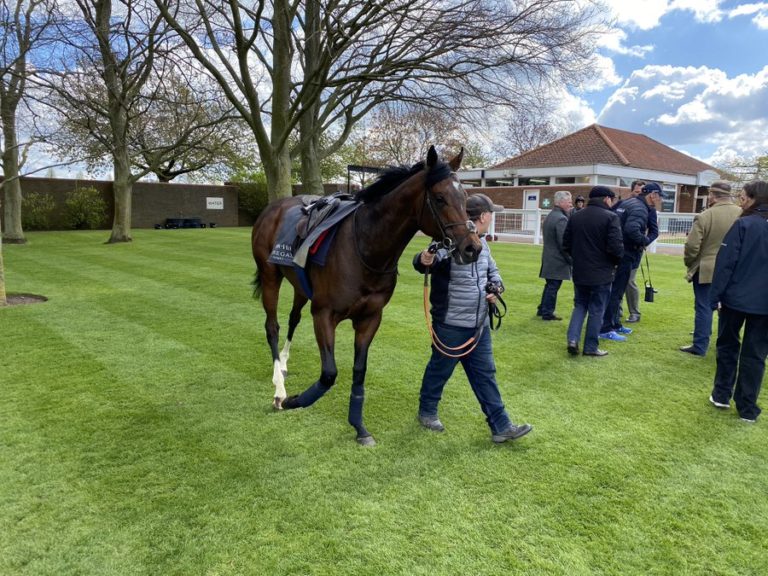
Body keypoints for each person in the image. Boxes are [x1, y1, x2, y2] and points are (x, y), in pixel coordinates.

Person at [413, 192, 532, 443]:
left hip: (479, 324)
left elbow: (494, 273)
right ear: (485, 216)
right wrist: (424, 258)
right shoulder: (449, 242)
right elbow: (427, 262)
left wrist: (495, 289)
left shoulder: (484, 243)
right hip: (451, 324)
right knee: (440, 370)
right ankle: (427, 411)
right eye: (492, 214)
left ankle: (501, 426)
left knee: (485, 374)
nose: (492, 218)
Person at [708, 180, 768, 423]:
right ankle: (746, 406)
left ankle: (723, 394)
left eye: (743, 196)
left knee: (729, 346)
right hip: (759, 303)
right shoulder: (744, 223)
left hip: (735, 298)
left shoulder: (743, 224)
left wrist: (716, 296)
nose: (740, 200)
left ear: (753, 198)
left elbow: (725, 263)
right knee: (755, 354)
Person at [680, 181, 741, 356]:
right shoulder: (742, 214)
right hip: (734, 269)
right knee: (729, 308)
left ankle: (700, 346)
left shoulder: (705, 216)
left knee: (704, 307)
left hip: (707, 269)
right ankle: (727, 346)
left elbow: (692, 246)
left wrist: (690, 262)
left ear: (713, 195)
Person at [562, 186, 624, 357]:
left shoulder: (576, 216)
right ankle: (590, 346)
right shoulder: (611, 217)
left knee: (580, 305)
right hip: (602, 272)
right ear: (606, 199)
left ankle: (573, 339)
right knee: (597, 309)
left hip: (580, 270)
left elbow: (566, 244)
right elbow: (616, 248)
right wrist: (615, 263)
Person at [599, 182, 661, 341]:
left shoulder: (627, 203)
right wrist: (643, 241)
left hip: (617, 250)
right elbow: (631, 230)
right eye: (659, 196)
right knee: (616, 291)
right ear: (652, 195)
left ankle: (615, 323)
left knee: (616, 291)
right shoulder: (640, 208)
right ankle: (606, 328)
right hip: (625, 253)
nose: (659, 199)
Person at [623, 180, 658, 323]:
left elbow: (654, 231)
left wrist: (644, 240)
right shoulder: (626, 205)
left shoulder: (650, 210)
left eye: (641, 192)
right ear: (632, 192)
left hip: (635, 250)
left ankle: (634, 312)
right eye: (637, 192)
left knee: (629, 281)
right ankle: (615, 312)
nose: (639, 194)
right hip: (620, 249)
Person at [537, 190, 573, 321]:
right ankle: (547, 312)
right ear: (561, 202)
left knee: (550, 285)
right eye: (569, 202)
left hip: (549, 257)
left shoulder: (551, 216)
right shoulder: (561, 218)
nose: (571, 204)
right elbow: (564, 243)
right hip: (557, 259)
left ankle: (542, 309)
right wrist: (570, 260)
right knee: (553, 286)